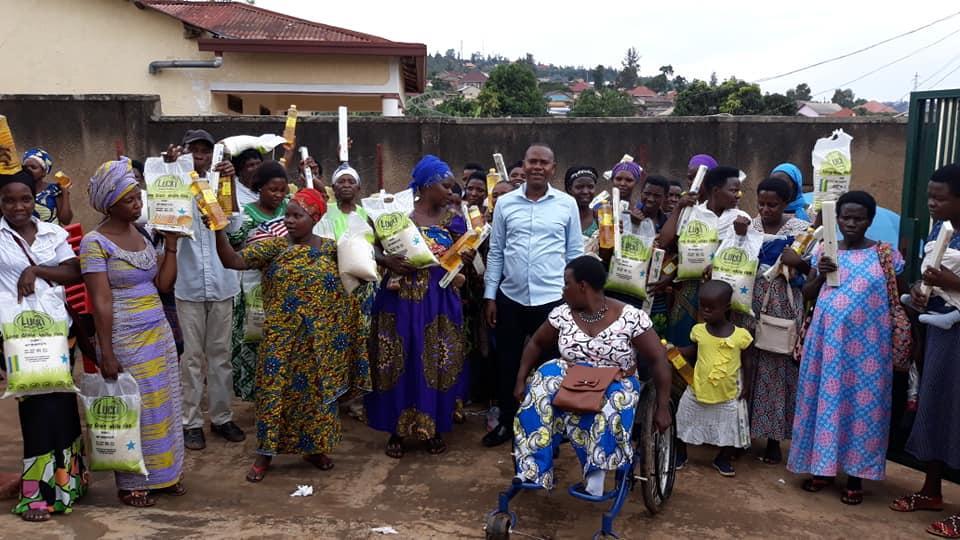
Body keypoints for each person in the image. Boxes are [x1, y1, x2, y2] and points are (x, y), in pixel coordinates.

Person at [209, 188, 365, 482]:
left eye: (297, 215)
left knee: (315, 397)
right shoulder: (274, 247)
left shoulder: (332, 249)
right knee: (273, 394)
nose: (289, 220)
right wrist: (218, 230)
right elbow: (233, 261)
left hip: (318, 342)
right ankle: (265, 454)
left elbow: (360, 275)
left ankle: (314, 448)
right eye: (287, 215)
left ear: (315, 218)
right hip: (280, 338)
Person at [513, 256, 672, 495]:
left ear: (582, 286)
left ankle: (596, 476)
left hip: (616, 377)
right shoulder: (562, 314)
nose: (563, 290)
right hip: (572, 373)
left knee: (614, 401)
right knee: (540, 385)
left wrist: (662, 406)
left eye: (566, 284)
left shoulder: (630, 317)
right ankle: (532, 469)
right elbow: (536, 343)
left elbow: (658, 358)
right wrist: (520, 380)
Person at [789, 190, 904, 506]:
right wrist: (821, 274)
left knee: (862, 410)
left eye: (858, 218)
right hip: (826, 345)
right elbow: (808, 292)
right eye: (845, 217)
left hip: (868, 352)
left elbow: (899, 296)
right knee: (823, 403)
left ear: (870, 220)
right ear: (836, 219)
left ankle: (855, 477)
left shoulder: (885, 254)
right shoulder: (825, 250)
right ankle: (821, 470)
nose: (851, 223)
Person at [81, 158, 185, 507]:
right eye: (129, 200)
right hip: (124, 335)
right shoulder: (94, 243)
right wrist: (106, 352)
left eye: (138, 196)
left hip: (157, 330)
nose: (138, 204)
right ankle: (132, 483)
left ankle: (165, 475)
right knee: (135, 407)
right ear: (109, 204)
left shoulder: (141, 233)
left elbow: (163, 284)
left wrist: (172, 244)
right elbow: (100, 300)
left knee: (163, 403)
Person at [366, 155, 472, 458]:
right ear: (426, 186)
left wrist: (465, 258)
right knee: (399, 360)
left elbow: (462, 258)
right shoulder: (398, 215)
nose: (450, 192)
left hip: (439, 300)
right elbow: (368, 245)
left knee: (436, 361)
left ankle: (433, 426)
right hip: (398, 299)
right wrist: (386, 260)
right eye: (445, 186)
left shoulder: (454, 220)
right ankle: (397, 430)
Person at [483, 143, 584, 447]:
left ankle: (549, 428)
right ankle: (507, 422)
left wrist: (574, 298)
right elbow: (496, 252)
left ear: (553, 169)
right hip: (510, 298)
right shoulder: (505, 204)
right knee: (507, 363)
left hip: (552, 299)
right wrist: (490, 295)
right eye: (532, 161)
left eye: (544, 162)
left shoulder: (566, 204)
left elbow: (574, 253)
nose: (537, 167)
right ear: (523, 166)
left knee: (551, 365)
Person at [0, 170, 86, 521]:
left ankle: (69, 485)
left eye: (25, 198)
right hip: (18, 337)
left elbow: (74, 271)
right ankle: (36, 495)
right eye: (8, 200)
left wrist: (37, 272)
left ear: (34, 198)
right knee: (35, 411)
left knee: (63, 407)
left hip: (60, 333)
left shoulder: (52, 232)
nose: (18, 206)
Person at [163, 129, 245, 450]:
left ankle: (222, 417)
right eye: (193, 149)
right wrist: (169, 171)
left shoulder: (220, 183)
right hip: (188, 285)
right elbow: (157, 219)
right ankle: (191, 421)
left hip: (223, 284)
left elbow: (235, 227)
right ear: (183, 152)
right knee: (191, 358)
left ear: (213, 155)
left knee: (221, 356)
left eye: (204, 150)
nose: (199, 155)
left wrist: (230, 183)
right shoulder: (173, 184)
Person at [890, 164, 960, 538]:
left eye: (940, 198)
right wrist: (921, 290)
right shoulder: (940, 231)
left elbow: (950, 279)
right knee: (936, 408)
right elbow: (929, 274)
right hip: (938, 333)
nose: (932, 203)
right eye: (930, 196)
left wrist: (952, 282)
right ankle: (931, 491)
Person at [748, 177, 811, 465]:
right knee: (749, 364)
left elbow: (812, 271)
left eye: (772, 205)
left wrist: (798, 262)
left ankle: (773, 439)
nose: (765, 209)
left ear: (786, 203)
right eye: (761, 203)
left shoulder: (801, 230)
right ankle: (744, 433)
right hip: (750, 303)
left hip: (782, 305)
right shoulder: (751, 226)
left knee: (776, 368)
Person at [659, 166, 750, 348]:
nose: (738, 195)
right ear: (716, 190)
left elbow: (748, 258)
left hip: (723, 296)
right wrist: (679, 208)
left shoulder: (741, 218)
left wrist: (741, 235)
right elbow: (665, 241)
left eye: (739, 191)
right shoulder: (692, 213)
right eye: (733, 190)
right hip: (689, 292)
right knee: (680, 345)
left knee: (715, 348)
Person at [674, 280, 753, 476]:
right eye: (703, 306)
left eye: (711, 307)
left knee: (730, 428)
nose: (705, 311)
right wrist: (676, 351)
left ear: (726, 307)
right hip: (697, 389)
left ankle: (723, 458)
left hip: (727, 394)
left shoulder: (741, 336)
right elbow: (694, 351)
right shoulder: (699, 330)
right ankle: (680, 454)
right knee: (682, 418)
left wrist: (747, 386)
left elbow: (748, 363)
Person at [226, 161, 290, 402]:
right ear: (259, 187)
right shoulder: (246, 214)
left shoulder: (290, 209)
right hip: (255, 289)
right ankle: (260, 397)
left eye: (282, 190)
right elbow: (235, 239)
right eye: (273, 189)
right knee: (256, 341)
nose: (278, 195)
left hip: (286, 290)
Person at [316, 163, 375, 419]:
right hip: (333, 288)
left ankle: (357, 400)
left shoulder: (367, 215)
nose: (347, 186)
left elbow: (375, 247)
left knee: (361, 342)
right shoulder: (325, 214)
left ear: (359, 188)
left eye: (351, 181)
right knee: (334, 342)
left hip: (362, 289)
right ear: (334, 187)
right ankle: (334, 396)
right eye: (342, 181)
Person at [21, 148, 72, 225]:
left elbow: (66, 220)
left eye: (33, 167)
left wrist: (65, 192)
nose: (28, 170)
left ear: (44, 172)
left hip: (53, 232)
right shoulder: (18, 191)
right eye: (25, 167)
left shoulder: (53, 190)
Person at [563, 165, 598, 237]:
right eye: (579, 187)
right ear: (569, 189)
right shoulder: (561, 217)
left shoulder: (599, 218)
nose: (585, 191)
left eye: (590, 187)